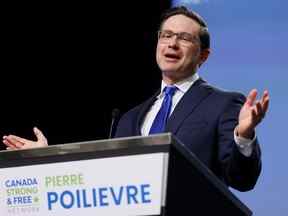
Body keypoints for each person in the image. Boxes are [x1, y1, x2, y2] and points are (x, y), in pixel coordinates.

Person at [2, 6, 269, 192]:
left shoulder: (223, 104)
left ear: (204, 56)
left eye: (184, 38)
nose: (172, 44)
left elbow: (242, 180)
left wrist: (243, 137)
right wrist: (48, 159)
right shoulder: (129, 118)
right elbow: (103, 181)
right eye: (166, 36)